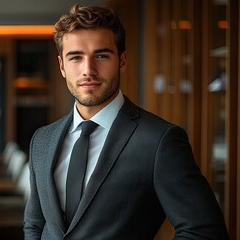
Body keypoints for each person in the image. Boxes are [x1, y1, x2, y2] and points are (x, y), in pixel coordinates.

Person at [23, 4, 229, 239]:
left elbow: (204, 232)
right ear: (62, 66)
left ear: (122, 61)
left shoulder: (160, 141)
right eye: (76, 57)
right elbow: (35, 224)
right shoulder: (42, 140)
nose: (88, 70)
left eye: (101, 55)